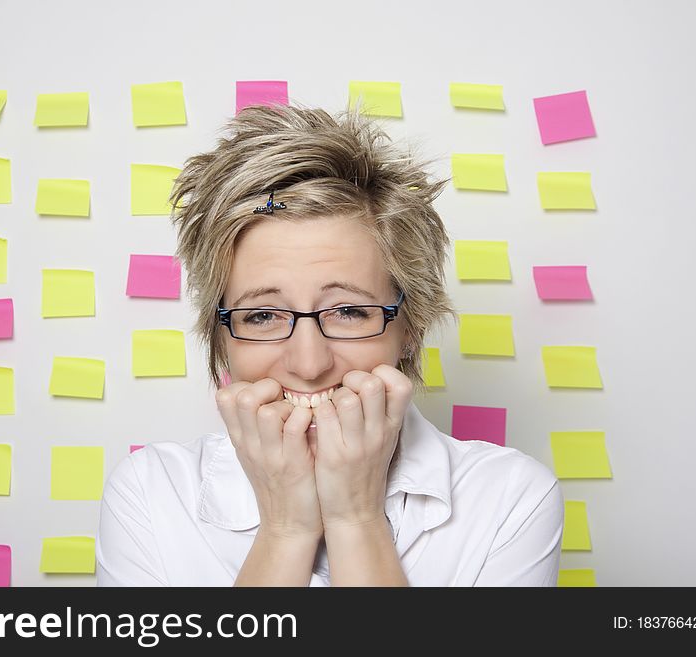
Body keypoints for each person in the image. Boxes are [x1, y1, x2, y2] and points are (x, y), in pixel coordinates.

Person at [96, 104, 564, 586]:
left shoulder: (512, 497)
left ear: (411, 326)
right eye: (261, 315)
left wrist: (355, 518)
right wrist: (286, 528)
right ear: (220, 335)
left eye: (348, 311)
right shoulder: (149, 492)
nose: (309, 362)